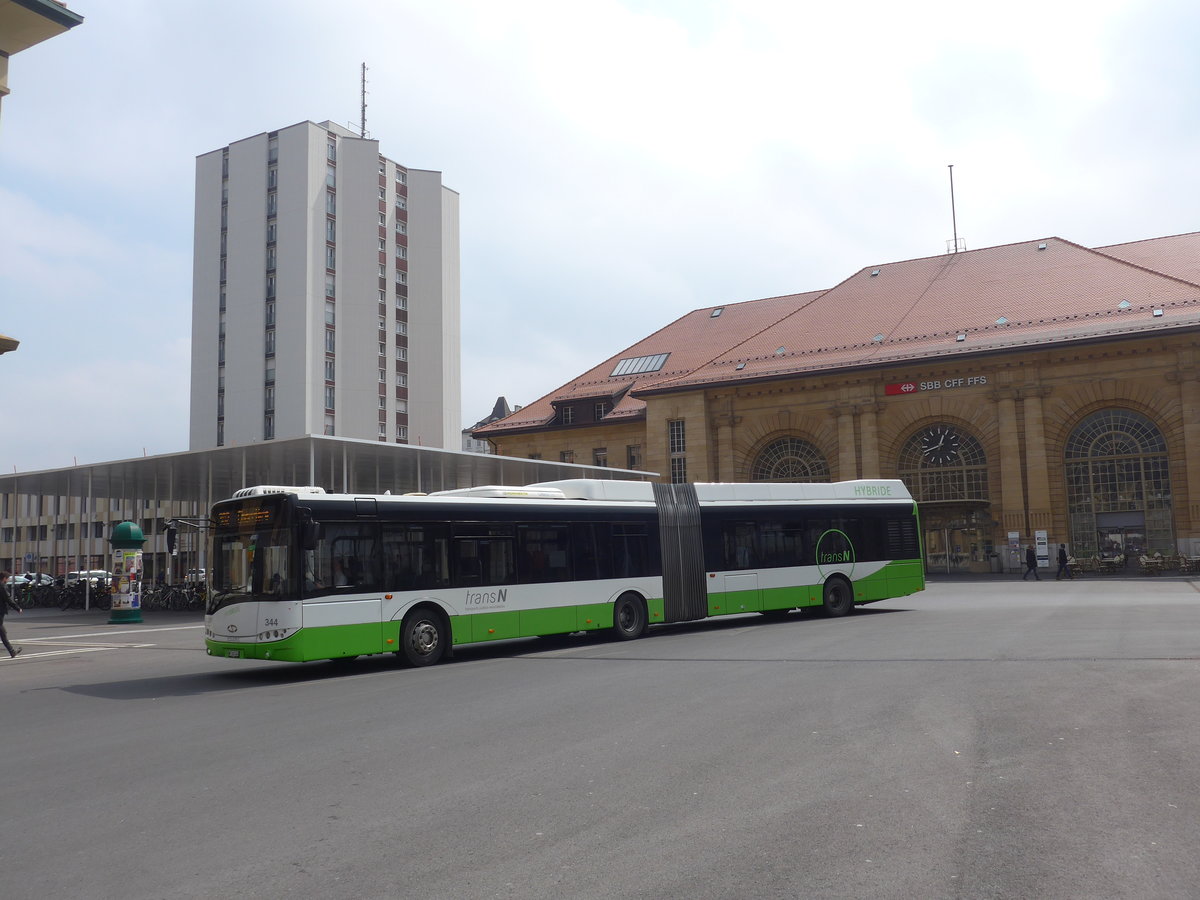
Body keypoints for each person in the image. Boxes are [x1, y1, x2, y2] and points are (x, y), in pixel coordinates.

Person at [0, 571, 24, 658]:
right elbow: (8, 599)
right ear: (4, 578)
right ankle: (12, 651)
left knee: (3, 632)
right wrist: (18, 608)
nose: (8, 580)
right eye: (8, 578)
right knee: (2, 632)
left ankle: (12, 652)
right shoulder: (2, 586)